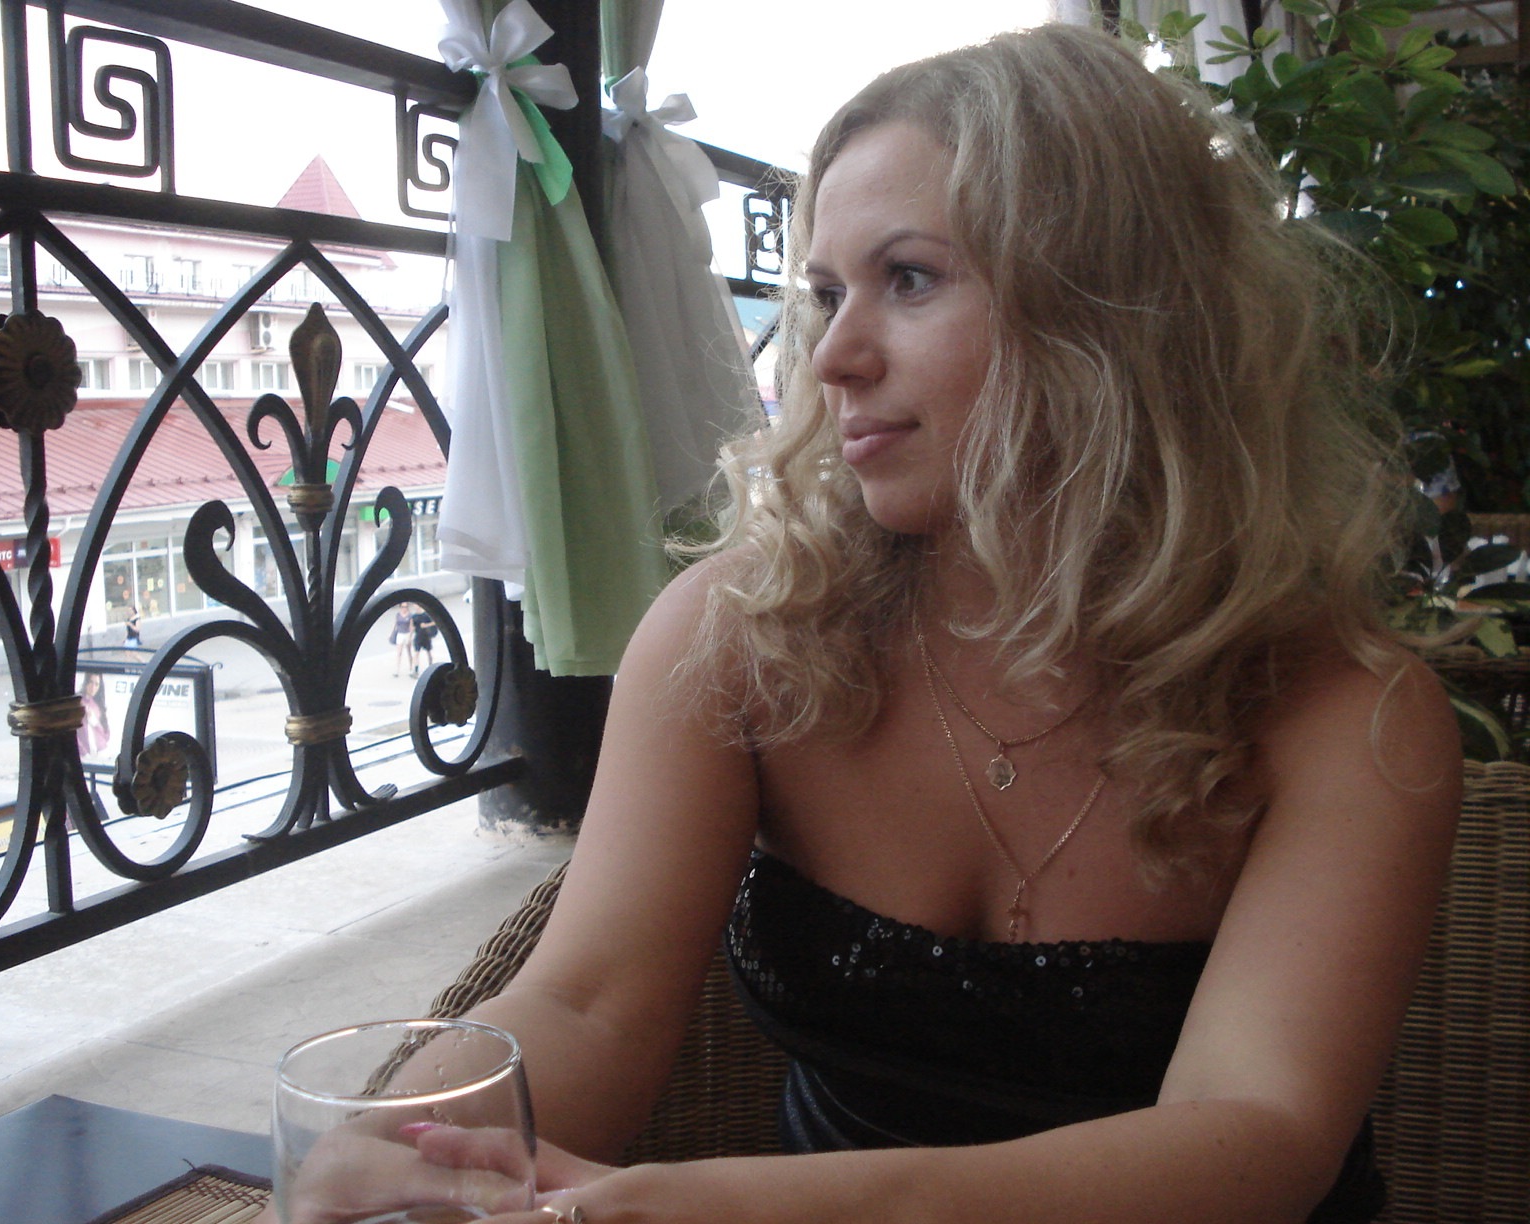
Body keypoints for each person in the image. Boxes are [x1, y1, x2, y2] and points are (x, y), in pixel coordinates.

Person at [263, 24, 1460, 1224]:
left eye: (911, 279)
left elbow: (1255, 1136)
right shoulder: (747, 637)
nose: (831, 356)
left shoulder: (1346, 716)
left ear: (1116, 309)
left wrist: (752, 1209)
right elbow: (589, 1002)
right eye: (827, 295)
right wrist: (399, 1154)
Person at [76, 672, 110, 760]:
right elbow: (73, 733)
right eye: (91, 682)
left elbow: (106, 735)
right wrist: (84, 753)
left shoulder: (98, 705)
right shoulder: (78, 701)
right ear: (86, 682)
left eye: (96, 684)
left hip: (101, 753)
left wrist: (95, 722)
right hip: (84, 755)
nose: (93, 687)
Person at [410, 607, 436, 675]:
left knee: (429, 652)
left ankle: (431, 667)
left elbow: (434, 622)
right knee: (416, 653)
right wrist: (410, 636)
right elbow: (412, 627)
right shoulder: (414, 616)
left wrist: (426, 625)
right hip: (418, 636)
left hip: (426, 636)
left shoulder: (426, 615)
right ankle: (416, 670)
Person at [392, 602, 415, 677]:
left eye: (406, 607)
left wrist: (410, 637)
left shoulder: (410, 615)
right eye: (403, 607)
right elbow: (395, 624)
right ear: (400, 607)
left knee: (409, 652)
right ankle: (397, 670)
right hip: (400, 634)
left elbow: (411, 626)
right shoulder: (398, 615)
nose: (404, 608)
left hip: (407, 634)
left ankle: (411, 669)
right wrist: (392, 633)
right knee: (399, 653)